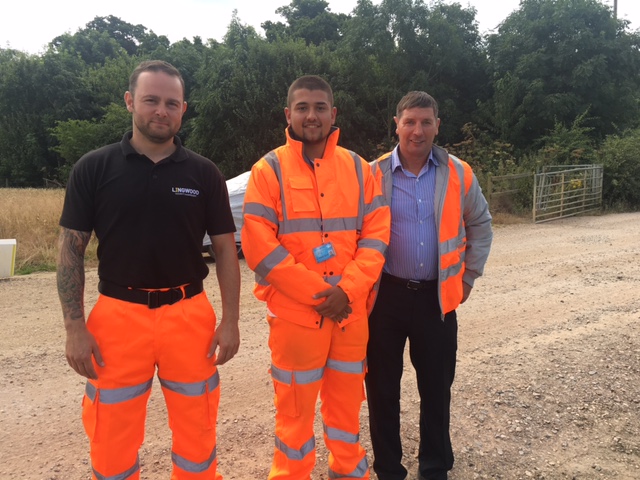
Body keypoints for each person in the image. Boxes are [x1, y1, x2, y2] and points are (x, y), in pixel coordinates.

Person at [56, 60, 240, 480]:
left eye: (171, 103)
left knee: (198, 432)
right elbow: (70, 250)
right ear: (129, 102)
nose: (161, 110)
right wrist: (74, 327)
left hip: (189, 314)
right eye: (151, 100)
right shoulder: (94, 168)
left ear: (183, 109)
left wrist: (231, 320)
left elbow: (228, 251)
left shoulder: (204, 173)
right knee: (111, 437)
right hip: (117, 317)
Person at [241, 75, 390, 479]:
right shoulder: (267, 170)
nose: (312, 115)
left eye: (320, 107)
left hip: (349, 316)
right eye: (303, 107)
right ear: (288, 114)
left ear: (333, 113)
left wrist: (347, 290)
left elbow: (376, 238)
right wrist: (322, 293)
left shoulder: (359, 169)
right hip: (295, 319)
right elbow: (259, 247)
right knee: (294, 417)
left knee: (346, 411)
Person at [365, 91, 493, 480]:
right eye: (410, 121)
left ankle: (434, 466)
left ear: (438, 125)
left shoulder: (458, 173)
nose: (417, 131)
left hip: (436, 300)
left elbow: (481, 224)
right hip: (384, 297)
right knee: (382, 391)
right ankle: (389, 468)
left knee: (436, 389)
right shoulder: (372, 174)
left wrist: (468, 277)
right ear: (396, 124)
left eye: (426, 122)